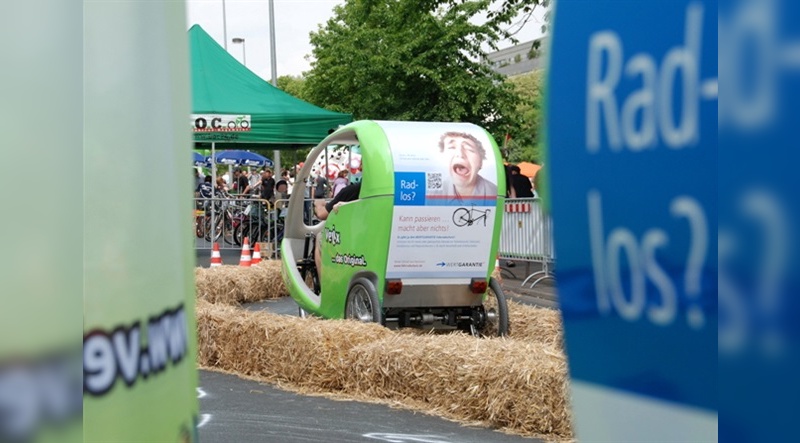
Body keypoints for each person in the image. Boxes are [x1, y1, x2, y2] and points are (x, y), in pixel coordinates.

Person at [313, 181, 362, 280]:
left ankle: (324, 287)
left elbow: (322, 214)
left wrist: (318, 204)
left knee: (320, 237)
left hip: (349, 237)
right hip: (366, 234)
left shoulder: (352, 190)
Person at [429, 131, 497, 200]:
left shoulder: (495, 193)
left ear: (481, 162)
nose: (460, 154)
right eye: (452, 147)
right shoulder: (433, 195)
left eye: (469, 149)